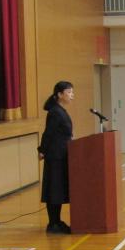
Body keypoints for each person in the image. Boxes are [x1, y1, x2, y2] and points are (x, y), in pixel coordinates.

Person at [39, 81, 75, 234]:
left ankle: (57, 221)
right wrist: (42, 150)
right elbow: (48, 133)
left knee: (58, 190)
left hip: (62, 154)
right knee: (54, 189)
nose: (72, 95)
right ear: (59, 94)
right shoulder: (55, 112)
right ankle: (53, 223)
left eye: (72, 92)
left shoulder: (60, 111)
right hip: (55, 156)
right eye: (69, 92)